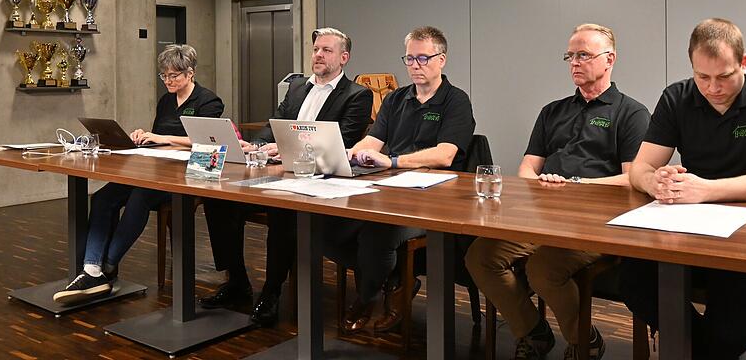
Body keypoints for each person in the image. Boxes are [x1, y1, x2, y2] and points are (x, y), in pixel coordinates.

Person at [622, 18, 746, 359]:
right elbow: (640, 168)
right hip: (694, 232)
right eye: (702, 77)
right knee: (633, 276)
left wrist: (706, 189)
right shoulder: (677, 97)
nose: (712, 88)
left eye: (724, 76)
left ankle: (697, 350)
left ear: (744, 62)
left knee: (732, 318)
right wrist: (653, 181)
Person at [465, 23, 649, 360]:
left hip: (597, 223)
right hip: (543, 216)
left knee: (542, 269)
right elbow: (527, 168)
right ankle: (532, 331)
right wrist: (539, 183)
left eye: (584, 55)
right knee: (480, 256)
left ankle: (584, 340)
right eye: (570, 56)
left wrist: (576, 185)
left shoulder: (631, 113)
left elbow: (633, 180)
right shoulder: (552, 111)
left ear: (609, 59)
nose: (575, 62)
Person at [199, 27, 372, 326]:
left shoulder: (357, 95)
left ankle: (271, 292)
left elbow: (341, 141)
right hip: (281, 172)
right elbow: (274, 123)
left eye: (326, 50)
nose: (318, 55)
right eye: (315, 49)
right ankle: (237, 281)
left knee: (283, 210)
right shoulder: (297, 88)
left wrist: (286, 147)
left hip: (321, 180)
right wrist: (256, 145)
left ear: (344, 58)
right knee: (219, 199)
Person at [329, 25, 476, 334]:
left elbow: (445, 155)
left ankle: (366, 297)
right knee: (326, 223)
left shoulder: (456, 101)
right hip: (388, 190)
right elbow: (372, 141)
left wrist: (393, 161)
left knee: (378, 231)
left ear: (441, 59)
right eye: (409, 58)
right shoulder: (396, 99)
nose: (415, 65)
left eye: (423, 58)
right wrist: (351, 153)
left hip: (434, 198)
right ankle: (394, 278)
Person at [53, 44, 224, 305]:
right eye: (164, 76)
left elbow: (207, 140)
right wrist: (144, 136)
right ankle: (92, 268)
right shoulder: (166, 101)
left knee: (139, 197)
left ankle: (109, 263)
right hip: (155, 167)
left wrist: (162, 137)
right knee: (103, 197)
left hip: (185, 175)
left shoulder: (208, 101)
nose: (168, 81)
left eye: (174, 76)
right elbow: (159, 137)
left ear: (190, 73)